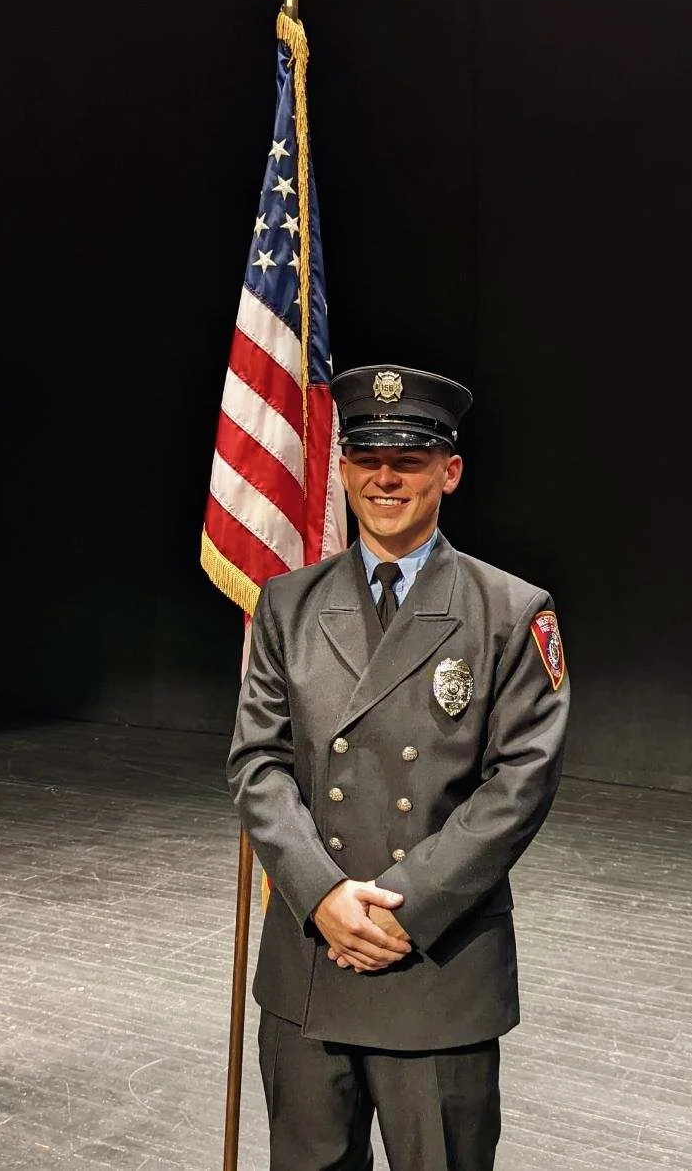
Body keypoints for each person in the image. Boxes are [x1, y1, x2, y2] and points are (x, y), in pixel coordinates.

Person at [227, 364, 569, 1171]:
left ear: (448, 471)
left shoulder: (511, 610)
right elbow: (257, 765)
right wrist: (322, 896)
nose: (385, 477)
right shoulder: (287, 604)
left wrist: (395, 911)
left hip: (435, 961)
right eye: (367, 455)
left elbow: (520, 784)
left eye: (408, 458)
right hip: (312, 956)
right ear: (342, 468)